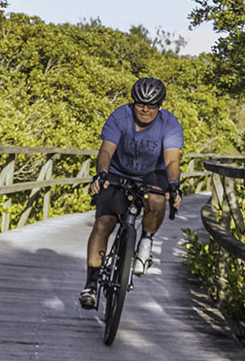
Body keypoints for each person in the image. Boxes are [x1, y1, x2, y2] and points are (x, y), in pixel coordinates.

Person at [79, 76, 184, 310]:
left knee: (157, 199)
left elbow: (172, 159)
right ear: (133, 102)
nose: (145, 109)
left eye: (152, 105)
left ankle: (146, 242)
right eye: (140, 103)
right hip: (118, 172)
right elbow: (106, 150)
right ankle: (91, 283)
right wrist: (102, 174)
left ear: (160, 106)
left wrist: (174, 184)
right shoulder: (120, 116)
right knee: (104, 223)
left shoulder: (170, 124)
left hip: (152, 174)